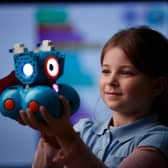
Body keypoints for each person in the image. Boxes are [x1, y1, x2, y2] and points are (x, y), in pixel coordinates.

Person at [1, 25, 168, 168]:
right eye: (106, 71)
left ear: (157, 86)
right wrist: (49, 134)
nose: (111, 81)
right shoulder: (83, 130)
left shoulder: (159, 139)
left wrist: (65, 135)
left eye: (126, 73)